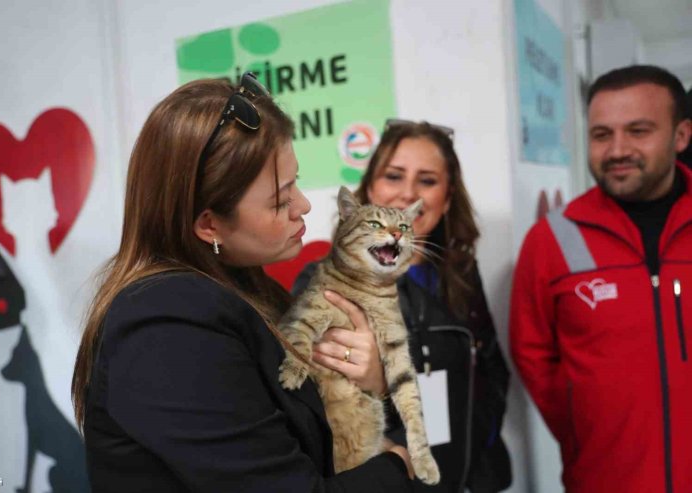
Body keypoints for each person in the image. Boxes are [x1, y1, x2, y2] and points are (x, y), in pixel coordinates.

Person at [70, 73, 416, 492]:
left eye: (296, 183)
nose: (303, 206)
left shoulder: (248, 289)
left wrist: (373, 383)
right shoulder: (167, 326)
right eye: (280, 198)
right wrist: (397, 467)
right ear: (209, 224)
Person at [294, 120, 512, 492]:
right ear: (370, 188)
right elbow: (321, 403)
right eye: (394, 176)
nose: (407, 193)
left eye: (427, 181)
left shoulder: (460, 273)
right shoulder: (325, 282)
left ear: (446, 199)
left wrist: (477, 440)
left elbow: (490, 367)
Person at [510, 65, 692, 493]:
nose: (617, 149)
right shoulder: (553, 238)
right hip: (605, 478)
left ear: (681, 136)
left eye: (639, 130)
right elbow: (532, 353)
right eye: (601, 134)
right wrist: (585, 427)